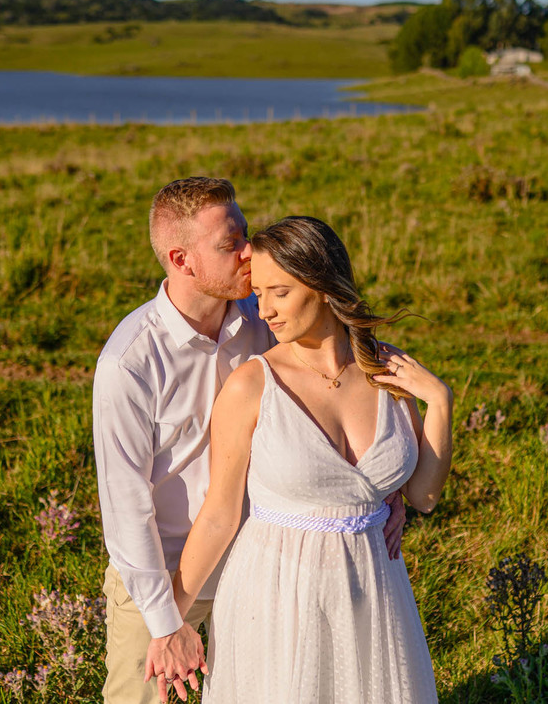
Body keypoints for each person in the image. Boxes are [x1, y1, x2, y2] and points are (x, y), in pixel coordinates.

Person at [94, 181, 406, 704]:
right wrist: (165, 622)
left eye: (245, 232)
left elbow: (335, 397)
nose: (248, 251)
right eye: (229, 243)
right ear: (181, 259)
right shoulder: (130, 363)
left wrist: (383, 490)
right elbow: (125, 508)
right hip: (162, 578)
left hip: (263, 566)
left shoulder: (266, 318)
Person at [157, 215, 454, 702]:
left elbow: (423, 496)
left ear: (323, 286)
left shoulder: (388, 372)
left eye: (280, 292)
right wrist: (168, 621)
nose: (264, 310)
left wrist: (439, 401)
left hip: (375, 590)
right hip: (278, 594)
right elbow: (218, 515)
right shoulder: (252, 386)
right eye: (258, 293)